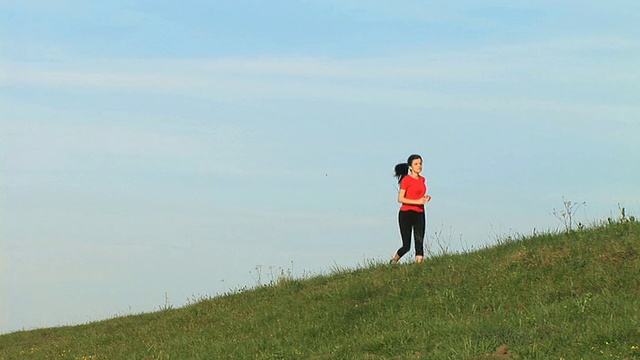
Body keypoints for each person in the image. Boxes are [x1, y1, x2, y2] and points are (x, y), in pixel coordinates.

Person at [390, 154, 431, 264]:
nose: (419, 166)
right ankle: (393, 261)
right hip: (406, 214)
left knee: (419, 241)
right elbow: (400, 198)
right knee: (406, 246)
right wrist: (418, 201)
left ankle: (419, 267)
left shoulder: (423, 179)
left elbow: (417, 195)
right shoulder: (406, 180)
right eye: (416, 164)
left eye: (420, 163)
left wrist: (424, 198)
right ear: (410, 167)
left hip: (420, 213)